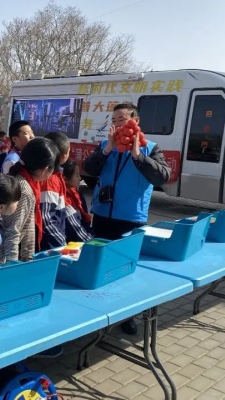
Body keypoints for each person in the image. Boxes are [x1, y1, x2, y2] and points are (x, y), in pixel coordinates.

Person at [83, 102, 171, 335]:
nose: (116, 125)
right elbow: (89, 169)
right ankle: (96, 310)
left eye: (121, 120)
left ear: (135, 121)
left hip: (131, 219)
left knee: (125, 268)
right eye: (113, 121)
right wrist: (107, 149)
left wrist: (138, 156)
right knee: (99, 263)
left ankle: (126, 315)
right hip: (103, 215)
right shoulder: (106, 146)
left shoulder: (150, 148)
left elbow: (162, 176)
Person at [0, 138, 59, 262]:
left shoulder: (26, 181)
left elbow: (28, 225)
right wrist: (11, 267)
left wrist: (28, 259)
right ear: (45, 170)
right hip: (2, 257)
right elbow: (12, 232)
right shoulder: (24, 189)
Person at [40, 132, 93, 249]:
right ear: (64, 156)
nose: (80, 178)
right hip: (49, 248)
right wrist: (62, 245)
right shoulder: (50, 180)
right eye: (77, 175)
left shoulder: (53, 177)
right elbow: (47, 220)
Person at [62, 159, 93, 236]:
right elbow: (74, 227)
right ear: (65, 179)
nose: (80, 178)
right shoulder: (65, 198)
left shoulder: (77, 193)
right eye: (77, 175)